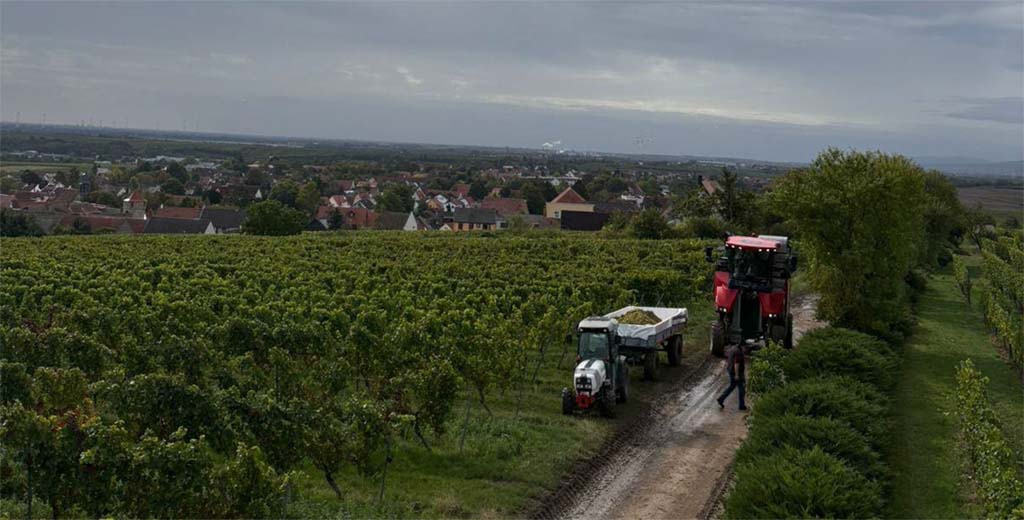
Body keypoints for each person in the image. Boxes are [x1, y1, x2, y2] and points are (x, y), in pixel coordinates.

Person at [717, 344, 747, 411]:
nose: (745, 350)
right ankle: (741, 406)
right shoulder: (738, 352)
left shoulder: (733, 348)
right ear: (742, 346)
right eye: (745, 348)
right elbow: (736, 364)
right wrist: (737, 375)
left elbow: (728, 358)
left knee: (732, 386)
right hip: (737, 372)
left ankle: (721, 399)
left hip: (730, 370)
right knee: (742, 388)